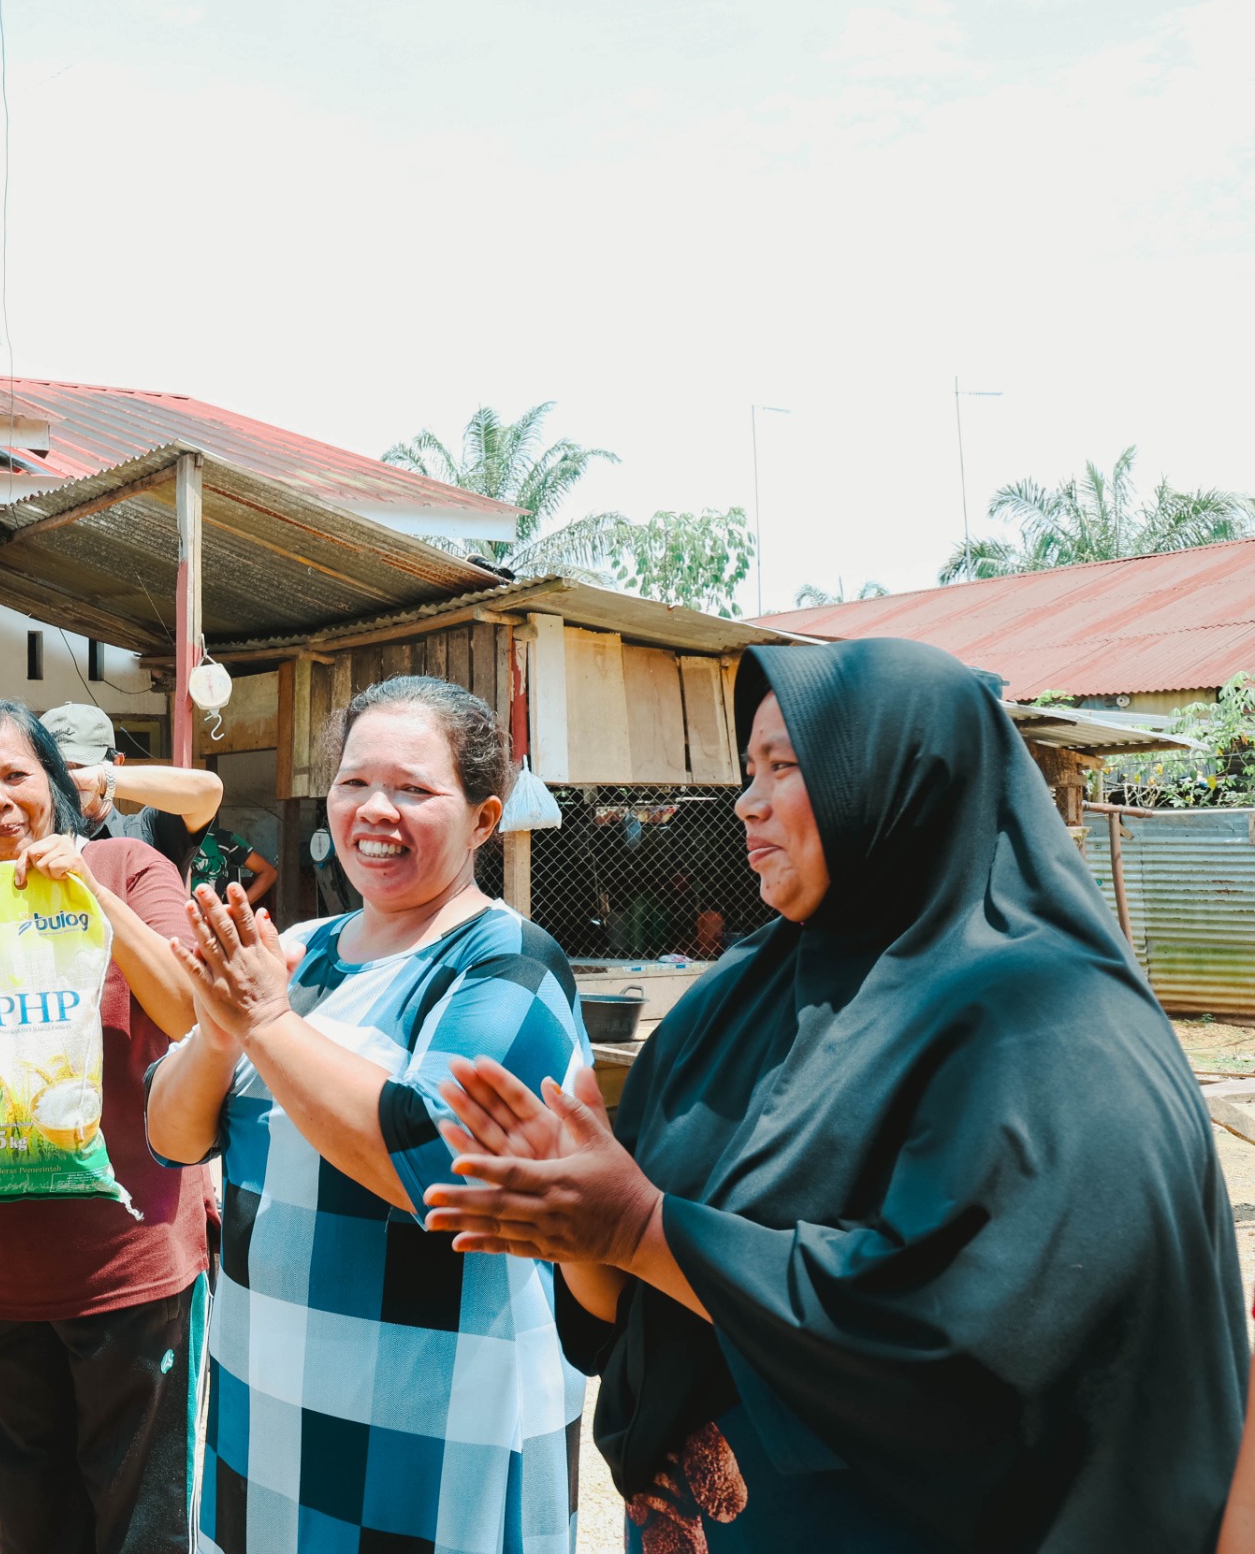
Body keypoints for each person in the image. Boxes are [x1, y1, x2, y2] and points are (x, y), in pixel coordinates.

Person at [423, 640, 1246, 1551]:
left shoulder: (1051, 1029)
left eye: (786, 765)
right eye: (748, 768)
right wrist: (575, 1224)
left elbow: (961, 1352)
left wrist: (638, 1229)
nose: (747, 799)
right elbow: (625, 1311)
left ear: (902, 782)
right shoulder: (735, 1004)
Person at [145, 675, 588, 1554]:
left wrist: (265, 1020)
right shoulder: (299, 950)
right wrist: (225, 1027)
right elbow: (173, 1132)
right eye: (354, 782)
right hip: (271, 1393)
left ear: (485, 819)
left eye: (413, 789)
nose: (374, 810)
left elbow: (434, 1163)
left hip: (430, 1415)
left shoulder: (509, 966)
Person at [0, 697, 207, 1553]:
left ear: (55, 787)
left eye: (17, 775)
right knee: (31, 1530)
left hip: (131, 1269)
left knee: (141, 1529)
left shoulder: (130, 866)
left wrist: (89, 892)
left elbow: (185, 1011)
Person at [41, 702, 222, 879]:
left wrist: (101, 779)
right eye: (56, 771)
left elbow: (208, 791)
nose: (68, 781)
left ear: (116, 764)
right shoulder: (35, 840)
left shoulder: (147, 830)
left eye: (81, 767)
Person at [187, 824, 275, 907]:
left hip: (210, 919)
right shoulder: (174, 839)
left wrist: (237, 907)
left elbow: (268, 873)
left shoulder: (222, 838)